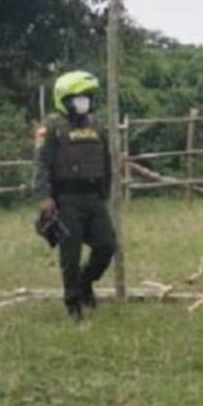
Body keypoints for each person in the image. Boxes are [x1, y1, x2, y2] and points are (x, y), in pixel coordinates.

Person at [32, 70, 118, 322]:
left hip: (93, 197)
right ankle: (73, 303)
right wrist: (44, 197)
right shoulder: (51, 127)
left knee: (106, 246)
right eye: (78, 97)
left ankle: (85, 282)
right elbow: (41, 164)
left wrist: (106, 190)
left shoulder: (97, 125)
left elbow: (106, 160)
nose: (84, 102)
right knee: (70, 255)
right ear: (65, 99)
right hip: (66, 199)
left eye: (87, 97)